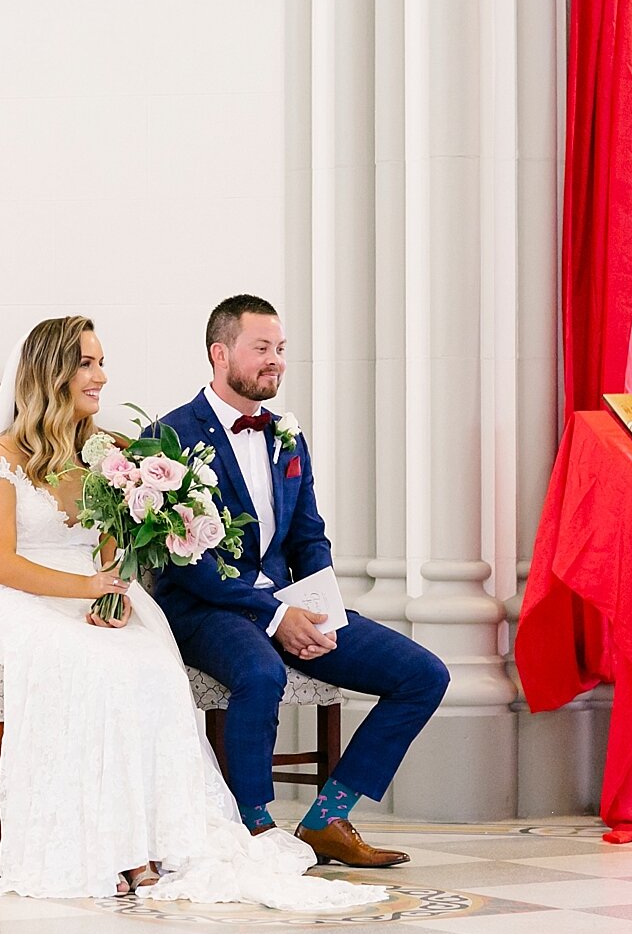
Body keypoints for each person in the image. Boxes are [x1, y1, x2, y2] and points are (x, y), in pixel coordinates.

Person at [0, 315, 386, 910]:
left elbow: (113, 544)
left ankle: (151, 839)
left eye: (100, 361)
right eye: (88, 363)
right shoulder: (3, 455)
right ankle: (105, 845)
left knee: (149, 664)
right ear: (52, 372)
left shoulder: (106, 450)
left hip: (96, 596)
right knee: (98, 669)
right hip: (25, 603)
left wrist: (112, 594)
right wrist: (88, 587)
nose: (101, 376)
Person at [152, 295, 449, 869]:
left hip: (284, 601)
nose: (276, 362)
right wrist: (272, 616)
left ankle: (327, 819)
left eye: (281, 349)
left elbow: (309, 535)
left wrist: (317, 606)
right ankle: (255, 831)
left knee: (423, 674)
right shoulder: (168, 439)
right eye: (261, 348)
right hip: (204, 608)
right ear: (220, 354)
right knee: (261, 673)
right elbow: (189, 565)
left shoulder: (286, 434)